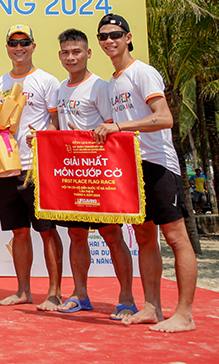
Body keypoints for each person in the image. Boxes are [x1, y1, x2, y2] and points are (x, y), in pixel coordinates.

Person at [92, 13, 197, 333]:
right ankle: (152, 306)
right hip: (130, 168)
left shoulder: (143, 72)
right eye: (103, 36)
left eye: (115, 34)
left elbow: (164, 118)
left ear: (128, 37)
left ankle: (185, 314)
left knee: (176, 237)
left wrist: (119, 127)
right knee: (143, 237)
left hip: (158, 164)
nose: (109, 40)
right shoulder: (112, 81)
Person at [52, 29, 136, 320]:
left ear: (88, 53)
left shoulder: (100, 86)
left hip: (99, 175)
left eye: (76, 51)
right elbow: (60, 131)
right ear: (60, 55)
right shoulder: (61, 88)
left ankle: (126, 298)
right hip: (71, 176)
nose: (71, 57)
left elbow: (113, 129)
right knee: (76, 234)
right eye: (65, 52)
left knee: (112, 235)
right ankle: (80, 294)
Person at [0, 24, 64, 310]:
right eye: (13, 43)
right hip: (7, 168)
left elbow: (57, 123)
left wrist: (44, 138)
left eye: (24, 42)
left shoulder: (47, 81)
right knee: (19, 232)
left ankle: (55, 293)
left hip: (36, 167)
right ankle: (23, 290)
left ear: (33, 46)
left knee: (46, 231)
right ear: (7, 47)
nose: (18, 48)